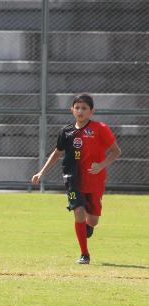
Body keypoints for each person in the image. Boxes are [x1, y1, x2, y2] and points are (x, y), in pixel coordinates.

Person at [31, 94, 122, 264]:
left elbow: (116, 151)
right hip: (73, 178)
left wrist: (101, 165)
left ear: (91, 111)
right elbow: (57, 153)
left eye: (84, 108)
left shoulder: (100, 128)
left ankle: (88, 226)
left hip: (95, 180)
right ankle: (84, 254)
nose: (80, 111)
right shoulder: (66, 131)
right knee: (78, 213)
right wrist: (41, 172)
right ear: (72, 109)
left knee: (93, 220)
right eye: (77, 107)